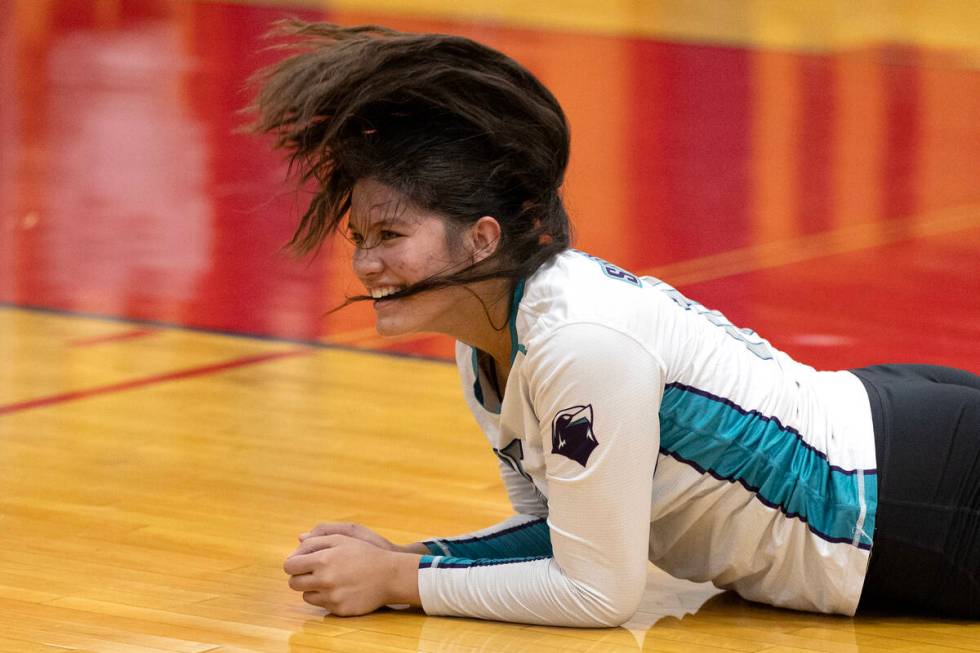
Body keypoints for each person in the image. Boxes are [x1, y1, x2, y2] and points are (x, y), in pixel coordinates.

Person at [248, 20, 980, 626]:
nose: (366, 266)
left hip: (921, 492)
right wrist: (403, 557)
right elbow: (563, 543)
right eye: (362, 241)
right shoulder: (488, 345)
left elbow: (599, 592)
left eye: (389, 237)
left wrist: (401, 578)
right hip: (895, 451)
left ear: (482, 237)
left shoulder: (577, 342)